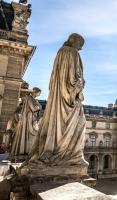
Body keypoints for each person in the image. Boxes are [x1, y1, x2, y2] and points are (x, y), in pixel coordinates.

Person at [22, 33, 88, 170]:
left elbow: (54, 79)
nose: (80, 49)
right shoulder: (73, 53)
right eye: (80, 45)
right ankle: (69, 155)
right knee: (80, 122)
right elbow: (75, 79)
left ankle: (56, 151)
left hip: (58, 96)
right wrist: (79, 88)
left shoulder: (60, 52)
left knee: (56, 123)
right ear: (75, 42)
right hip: (70, 97)